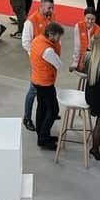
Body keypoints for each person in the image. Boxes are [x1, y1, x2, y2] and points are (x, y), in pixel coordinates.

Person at [21, 0, 56, 131]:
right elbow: (25, 43)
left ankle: (48, 111)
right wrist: (36, 56)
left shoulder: (50, 17)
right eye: (48, 8)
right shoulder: (30, 22)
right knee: (34, 90)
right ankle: (27, 117)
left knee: (47, 87)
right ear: (41, 7)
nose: (51, 11)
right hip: (38, 62)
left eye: (52, 8)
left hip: (50, 60)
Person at [29, 20, 64, 150]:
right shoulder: (48, 50)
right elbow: (59, 64)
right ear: (50, 34)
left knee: (42, 107)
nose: (58, 39)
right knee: (54, 110)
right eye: (57, 37)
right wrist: (57, 47)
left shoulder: (38, 40)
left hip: (37, 79)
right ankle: (43, 139)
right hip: (45, 83)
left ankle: (41, 134)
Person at [72, 7, 100, 74]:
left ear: (95, 19)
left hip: (93, 61)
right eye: (88, 18)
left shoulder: (99, 31)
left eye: (92, 19)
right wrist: (75, 62)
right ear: (84, 17)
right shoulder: (78, 26)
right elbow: (77, 46)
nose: (90, 21)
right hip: (81, 60)